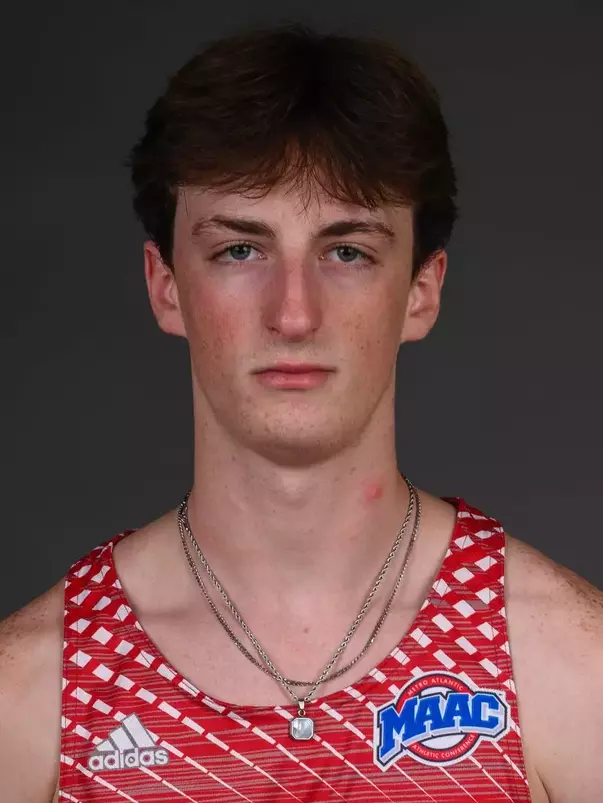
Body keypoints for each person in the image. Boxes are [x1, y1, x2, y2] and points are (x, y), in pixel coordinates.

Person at [1, 21, 601, 803]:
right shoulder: (30, 698)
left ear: (420, 290)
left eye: (346, 250)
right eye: (239, 250)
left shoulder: (567, 667)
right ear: (166, 285)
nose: (293, 313)